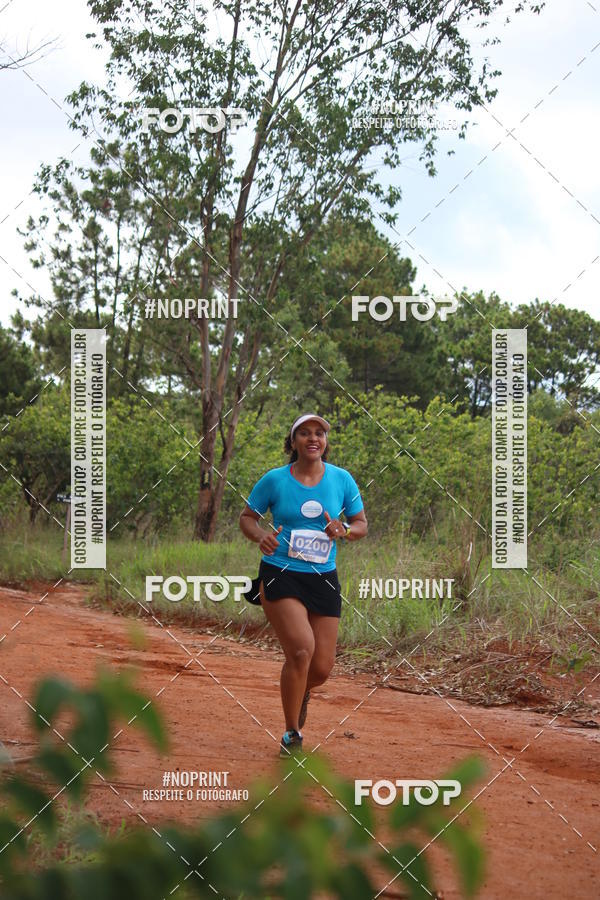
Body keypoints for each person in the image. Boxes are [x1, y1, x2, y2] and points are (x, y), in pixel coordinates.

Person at [239, 413, 368, 757]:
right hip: (281, 572)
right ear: (293, 441)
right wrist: (261, 537)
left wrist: (345, 530)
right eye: (305, 433)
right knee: (300, 650)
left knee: (321, 668)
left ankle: (301, 691)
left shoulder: (341, 480)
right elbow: (247, 518)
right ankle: (291, 733)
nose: (314, 439)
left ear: (325, 442)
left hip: (323, 577)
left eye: (320, 434)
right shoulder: (275, 480)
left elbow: (360, 524)